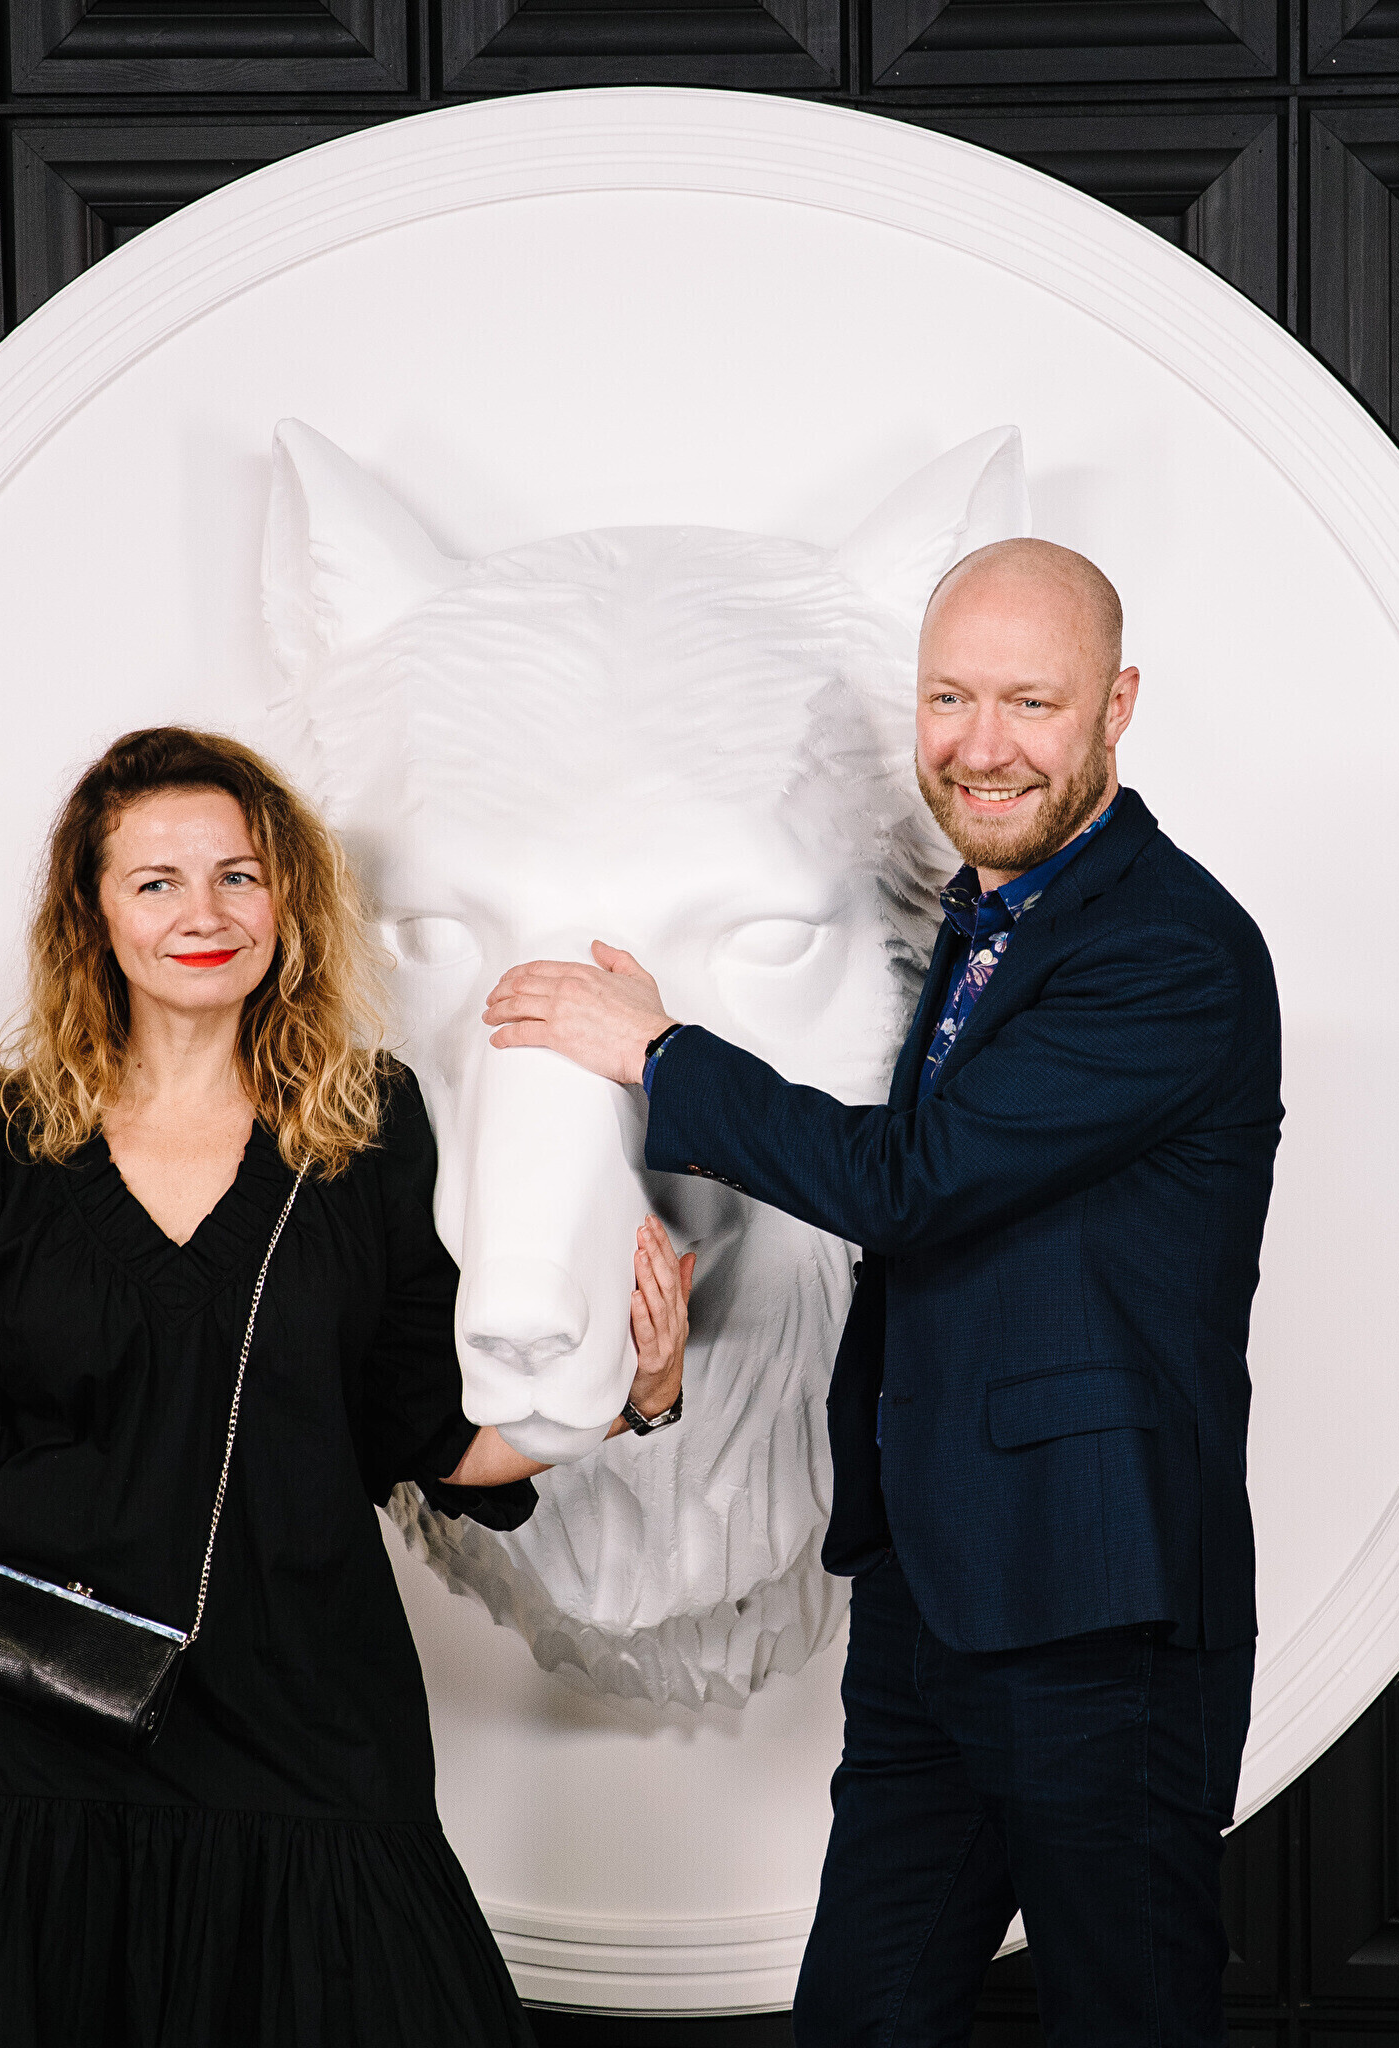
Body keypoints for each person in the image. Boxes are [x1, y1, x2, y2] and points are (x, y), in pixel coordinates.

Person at [485, 540, 1283, 2047]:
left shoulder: (1171, 950)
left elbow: (914, 1185)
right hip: (933, 1594)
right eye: (949, 698)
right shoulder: (990, 922)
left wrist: (657, 1053)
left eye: (1032, 702)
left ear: (1117, 706)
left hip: (1097, 1612)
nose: (981, 745)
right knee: (863, 2019)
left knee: (1131, 2017)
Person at [0, 726, 693, 2047]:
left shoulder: (370, 1125)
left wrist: (629, 1395)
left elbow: (429, 1432)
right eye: (157, 882)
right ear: (93, 914)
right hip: (38, 1727)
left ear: (285, 901)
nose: (205, 914)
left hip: (309, 1715)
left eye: (239, 876)